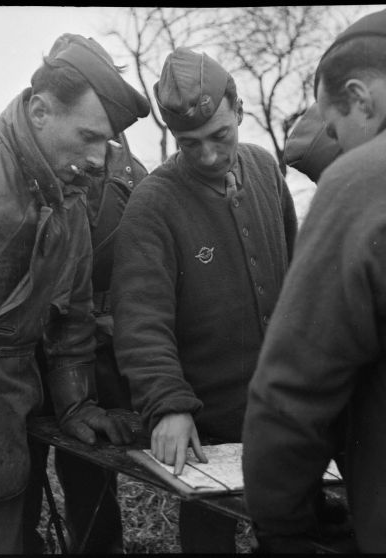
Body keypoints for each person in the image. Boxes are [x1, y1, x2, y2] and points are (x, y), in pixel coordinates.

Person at [242, 5, 386, 554]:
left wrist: (282, 524)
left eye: (337, 128)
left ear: (360, 96)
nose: (339, 147)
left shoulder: (368, 181)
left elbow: (291, 392)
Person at [0, 33, 150, 554]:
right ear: (39, 111)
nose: (101, 160)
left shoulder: (72, 206)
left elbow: (71, 323)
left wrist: (77, 404)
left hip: (2, 448)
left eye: (106, 142)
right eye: (88, 136)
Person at [110, 46, 298, 553]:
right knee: (208, 537)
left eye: (220, 136)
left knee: (290, 532)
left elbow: (297, 284)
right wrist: (168, 405)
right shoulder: (153, 203)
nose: (210, 155)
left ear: (239, 110)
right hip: (204, 425)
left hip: (280, 411)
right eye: (190, 145)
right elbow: (140, 319)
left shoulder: (263, 169)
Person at [22, 131, 148, 554]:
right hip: (29, 347)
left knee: (90, 470)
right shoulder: (31, 162)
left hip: (102, 351)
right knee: (19, 472)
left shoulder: (131, 174)